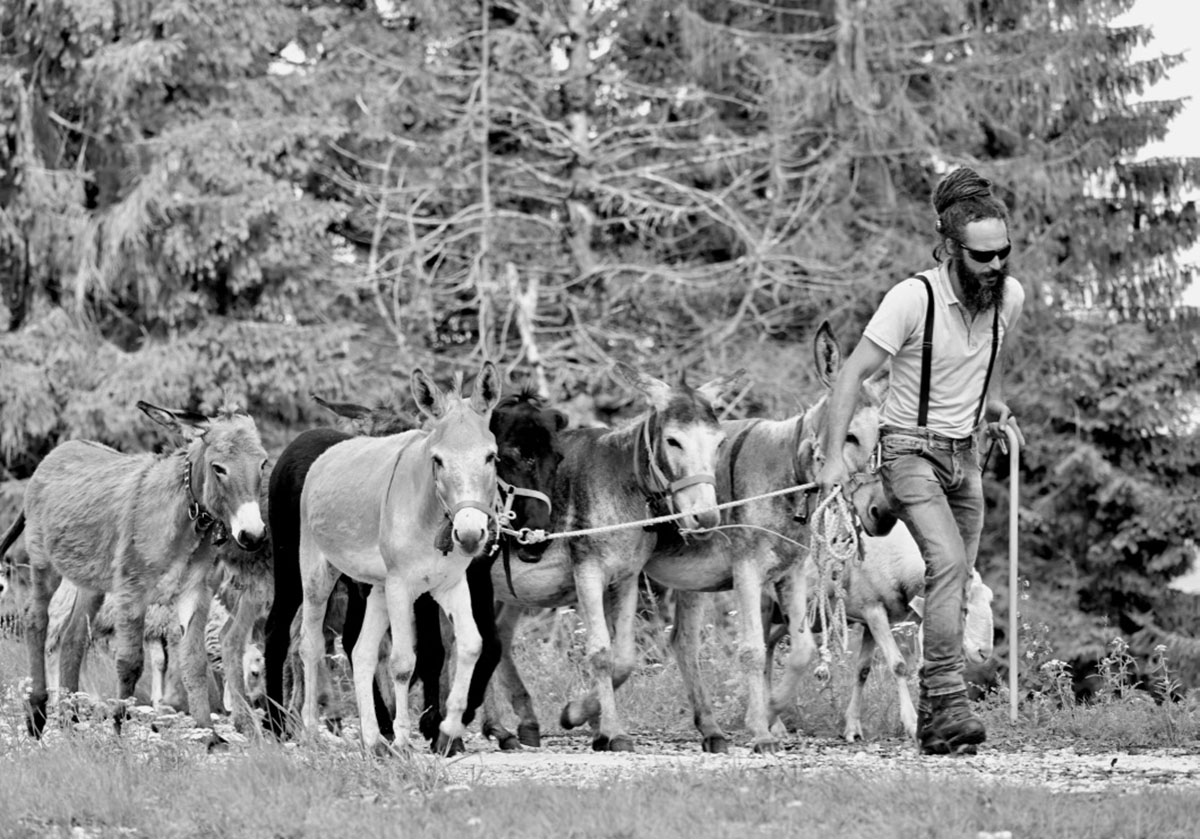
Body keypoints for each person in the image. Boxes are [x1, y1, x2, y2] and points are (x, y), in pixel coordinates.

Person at [816, 167, 1025, 755]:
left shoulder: (1008, 295)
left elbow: (993, 350)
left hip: (966, 457)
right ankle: (951, 705)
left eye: (1004, 252)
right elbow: (852, 374)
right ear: (951, 247)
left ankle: (934, 721)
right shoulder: (912, 299)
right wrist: (834, 457)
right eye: (983, 256)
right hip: (909, 450)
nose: (996, 265)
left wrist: (993, 403)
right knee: (949, 564)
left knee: (952, 582)